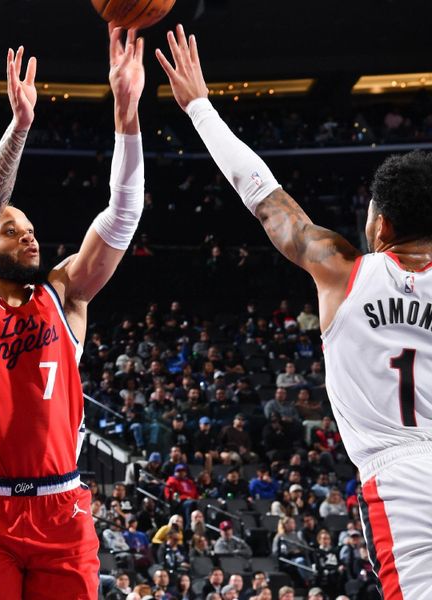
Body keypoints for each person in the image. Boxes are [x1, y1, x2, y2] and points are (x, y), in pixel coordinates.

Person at [159, 22, 432, 599]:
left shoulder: (341, 268)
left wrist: (201, 108)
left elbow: (268, 201)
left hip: (400, 480)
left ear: (379, 224)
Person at [0, 27, 145, 600]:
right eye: (14, 231)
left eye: (30, 231)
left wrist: (127, 117)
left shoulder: (65, 295)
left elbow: (122, 217)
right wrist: (19, 128)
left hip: (62, 508)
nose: (29, 239)